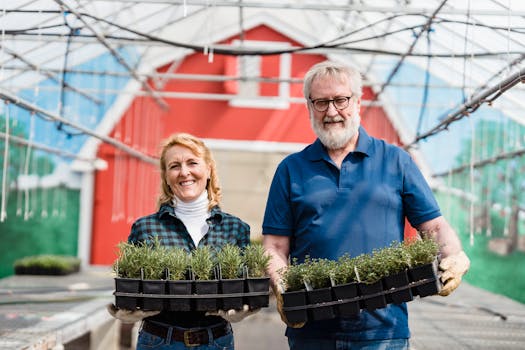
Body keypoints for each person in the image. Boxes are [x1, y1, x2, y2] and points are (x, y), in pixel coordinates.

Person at [262, 61, 470, 350]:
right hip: (312, 331)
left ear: (358, 102)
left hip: (383, 331)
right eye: (321, 102)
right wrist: (283, 287)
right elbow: (274, 246)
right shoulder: (291, 169)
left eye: (340, 100)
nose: (331, 111)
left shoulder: (395, 160)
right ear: (309, 106)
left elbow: (433, 225)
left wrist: (453, 254)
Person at [108, 132, 257, 350]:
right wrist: (128, 311)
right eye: (174, 166)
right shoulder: (146, 228)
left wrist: (244, 308)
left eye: (192, 163)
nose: (184, 172)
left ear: (208, 170)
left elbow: (248, 286)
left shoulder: (235, 229)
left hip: (216, 341)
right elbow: (129, 285)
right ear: (166, 176)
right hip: (158, 341)